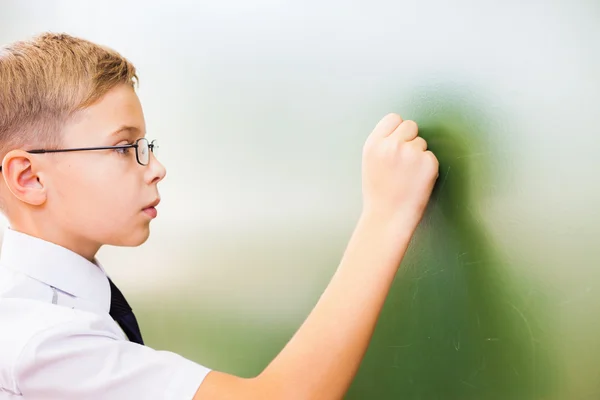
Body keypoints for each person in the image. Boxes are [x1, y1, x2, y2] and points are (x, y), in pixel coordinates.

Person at [0, 33, 439, 399]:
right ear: (29, 177)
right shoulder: (41, 340)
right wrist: (387, 214)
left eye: (145, 146)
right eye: (122, 147)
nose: (155, 168)